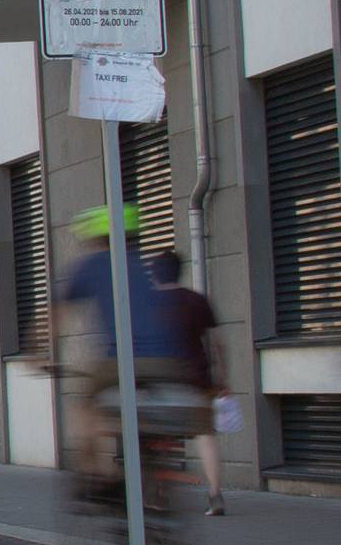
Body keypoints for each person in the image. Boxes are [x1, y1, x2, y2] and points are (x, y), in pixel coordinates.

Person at [56, 204, 185, 492]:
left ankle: (97, 474)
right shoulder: (143, 264)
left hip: (120, 358)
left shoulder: (93, 265)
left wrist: (40, 352)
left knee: (85, 405)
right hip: (167, 359)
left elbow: (57, 314)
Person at [150, 251, 228, 516]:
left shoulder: (148, 303)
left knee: (157, 438)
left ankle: (160, 495)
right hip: (198, 378)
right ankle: (215, 495)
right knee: (206, 436)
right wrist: (222, 378)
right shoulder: (197, 300)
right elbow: (218, 344)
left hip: (163, 379)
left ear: (155, 274)